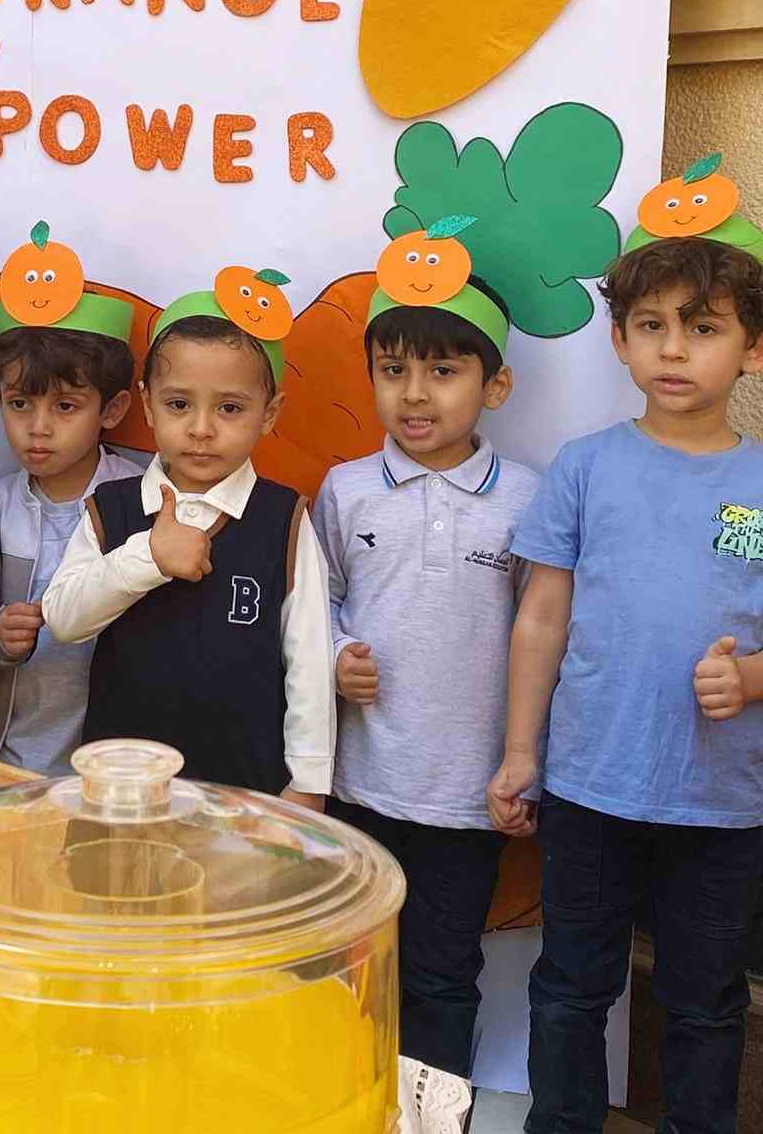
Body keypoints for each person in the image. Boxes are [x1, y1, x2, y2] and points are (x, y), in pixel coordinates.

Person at [487, 156, 763, 1134]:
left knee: (705, 1000)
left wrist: (752, 677)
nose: (673, 349)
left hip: (722, 802)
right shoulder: (585, 467)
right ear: (620, 340)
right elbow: (540, 618)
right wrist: (520, 754)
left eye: (704, 327)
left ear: (754, 349)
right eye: (651, 326)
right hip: (590, 785)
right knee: (572, 985)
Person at [313, 217, 539, 1079]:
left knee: (442, 979)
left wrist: (526, 765)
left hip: (466, 799)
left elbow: (546, 633)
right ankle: (345, 1103)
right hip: (360, 785)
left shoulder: (527, 499)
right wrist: (337, 652)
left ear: (496, 384)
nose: (414, 394)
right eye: (393, 369)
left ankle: (433, 1115)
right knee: (348, 969)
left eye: (443, 371)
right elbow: (319, 601)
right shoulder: (346, 491)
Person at [43, 268, 335, 807]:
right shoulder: (112, 509)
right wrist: (148, 556)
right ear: (147, 404)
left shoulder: (284, 518)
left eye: (230, 408)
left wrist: (309, 782)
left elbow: (310, 662)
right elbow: (63, 618)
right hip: (122, 789)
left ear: (269, 414)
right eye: (179, 404)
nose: (202, 428)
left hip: (246, 795)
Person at [0, 223, 141, 775]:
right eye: (19, 403)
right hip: (8, 758)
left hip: (114, 767)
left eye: (65, 406)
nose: (38, 428)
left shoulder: (142, 501)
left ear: (111, 410)